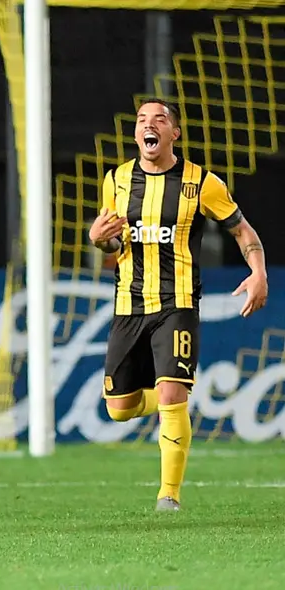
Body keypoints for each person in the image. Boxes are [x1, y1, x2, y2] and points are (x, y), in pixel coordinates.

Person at [89, 98, 268, 512]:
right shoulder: (116, 180)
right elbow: (113, 250)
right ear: (136, 133)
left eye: (159, 119)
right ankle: (173, 399)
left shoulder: (201, 182)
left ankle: (168, 495)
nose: (148, 125)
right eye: (141, 120)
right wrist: (100, 239)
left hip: (179, 303)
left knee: (171, 395)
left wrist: (258, 272)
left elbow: (241, 231)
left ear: (175, 133)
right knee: (119, 409)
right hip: (129, 304)